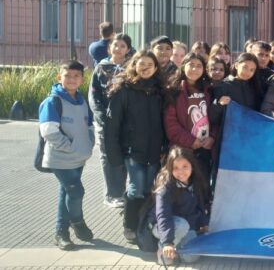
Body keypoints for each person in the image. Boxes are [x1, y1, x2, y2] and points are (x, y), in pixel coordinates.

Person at [105, 50, 167, 243]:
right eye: (142, 64)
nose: (146, 68)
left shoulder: (160, 91)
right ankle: (129, 226)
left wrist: (165, 148)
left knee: (149, 189)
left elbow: (165, 123)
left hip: (155, 151)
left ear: (156, 68)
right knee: (136, 189)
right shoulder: (123, 90)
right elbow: (111, 125)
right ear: (134, 65)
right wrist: (114, 156)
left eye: (150, 64)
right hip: (133, 151)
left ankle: (144, 224)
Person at [39, 60, 96, 250]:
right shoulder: (53, 101)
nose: (71, 79)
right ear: (59, 77)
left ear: (82, 79)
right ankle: (77, 223)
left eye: (76, 76)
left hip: (78, 158)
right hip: (61, 159)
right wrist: (69, 147)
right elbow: (48, 130)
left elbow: (89, 125)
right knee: (76, 191)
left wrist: (88, 142)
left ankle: (61, 232)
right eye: (67, 75)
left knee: (67, 193)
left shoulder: (81, 100)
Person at [89, 33, 131, 209]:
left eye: (123, 46)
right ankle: (111, 194)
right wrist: (100, 115)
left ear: (128, 49)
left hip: (125, 121)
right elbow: (94, 94)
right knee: (108, 155)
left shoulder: (132, 68)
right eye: (115, 45)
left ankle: (121, 191)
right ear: (109, 48)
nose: (118, 49)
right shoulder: (101, 68)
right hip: (106, 121)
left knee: (123, 154)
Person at [150, 147, 210, 266]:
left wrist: (204, 223)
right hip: (163, 225)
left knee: (191, 258)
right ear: (170, 169)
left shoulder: (196, 182)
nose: (181, 171)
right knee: (182, 226)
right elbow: (163, 216)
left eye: (185, 166)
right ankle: (162, 249)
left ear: (192, 166)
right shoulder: (165, 187)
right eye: (175, 168)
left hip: (187, 224)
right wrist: (167, 243)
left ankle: (177, 248)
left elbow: (201, 204)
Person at [164, 53, 216, 182]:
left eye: (199, 66)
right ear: (183, 67)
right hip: (182, 150)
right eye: (191, 65)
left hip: (205, 148)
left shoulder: (210, 90)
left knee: (203, 186)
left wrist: (212, 137)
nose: (194, 69)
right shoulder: (173, 91)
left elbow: (216, 117)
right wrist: (191, 141)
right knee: (182, 187)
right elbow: (170, 124)